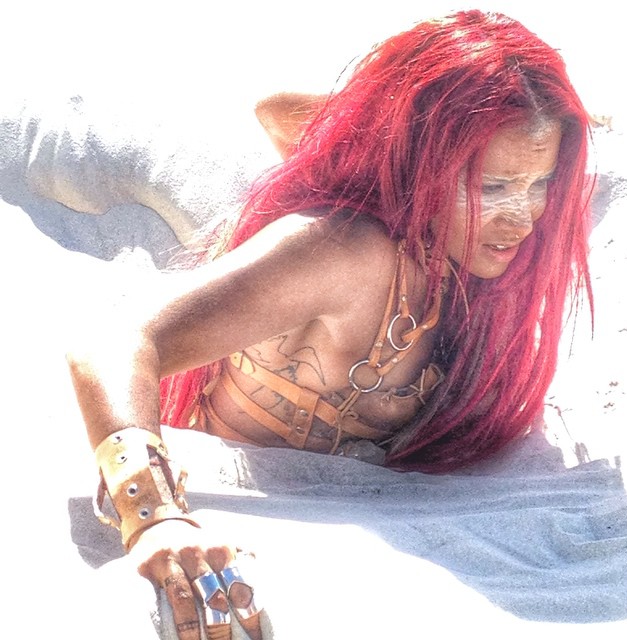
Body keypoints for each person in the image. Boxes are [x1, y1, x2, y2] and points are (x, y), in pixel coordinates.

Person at [67, 9, 594, 640]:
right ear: (419, 162)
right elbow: (113, 340)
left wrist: (420, 119)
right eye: (493, 186)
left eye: (539, 183)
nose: (524, 217)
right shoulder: (343, 254)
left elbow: (288, 115)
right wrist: (154, 517)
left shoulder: (462, 259)